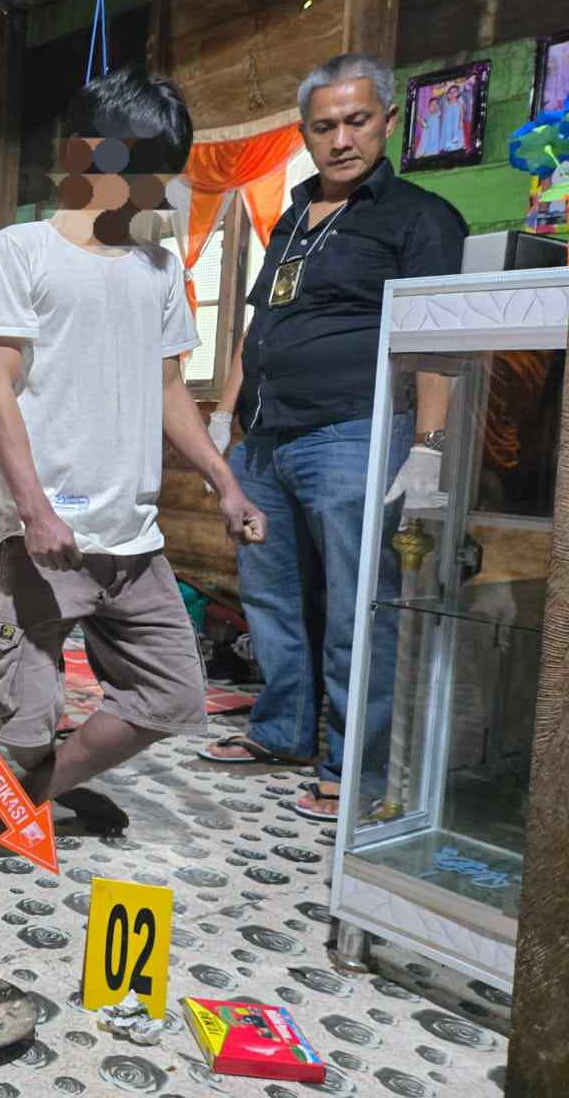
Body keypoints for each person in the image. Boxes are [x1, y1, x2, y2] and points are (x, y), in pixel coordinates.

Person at [0, 66, 267, 863]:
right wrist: (34, 508)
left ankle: (33, 796)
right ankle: (25, 790)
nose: (151, 190)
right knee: (21, 710)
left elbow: (169, 389)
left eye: (160, 174)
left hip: (133, 538)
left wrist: (225, 482)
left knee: (171, 693)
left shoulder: (159, 269)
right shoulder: (20, 251)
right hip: (42, 532)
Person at [201, 53, 468, 820]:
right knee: (271, 599)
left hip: (352, 433)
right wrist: (224, 417)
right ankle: (281, 732)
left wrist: (429, 446)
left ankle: (356, 772)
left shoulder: (420, 217)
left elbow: (439, 341)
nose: (341, 139)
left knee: (357, 609)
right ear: (306, 134)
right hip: (265, 439)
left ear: (389, 121)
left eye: (357, 121)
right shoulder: (292, 216)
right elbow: (262, 322)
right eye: (324, 127)